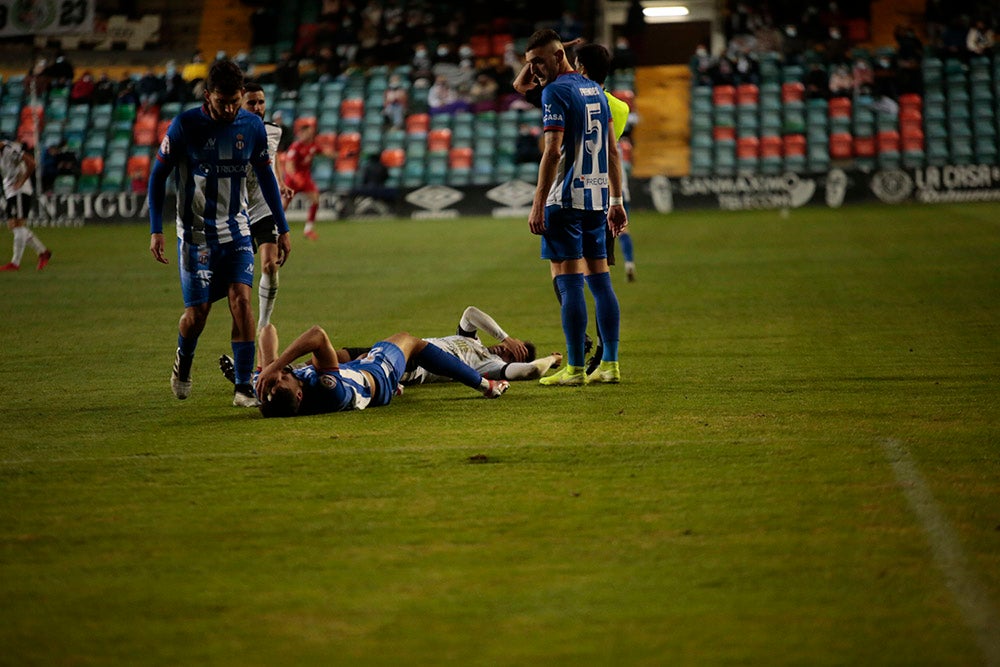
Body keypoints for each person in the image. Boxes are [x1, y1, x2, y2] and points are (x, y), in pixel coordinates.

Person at [148, 59, 290, 407]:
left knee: (241, 302)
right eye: (221, 102)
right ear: (207, 95)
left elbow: (266, 176)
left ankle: (243, 387)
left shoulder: (252, 126)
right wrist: (156, 229)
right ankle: (184, 359)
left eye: (234, 102)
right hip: (196, 236)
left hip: (237, 231)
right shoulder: (185, 126)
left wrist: (282, 226)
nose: (229, 109)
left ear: (242, 95)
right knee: (197, 316)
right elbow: (157, 177)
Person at [522, 30, 627, 386]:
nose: (534, 70)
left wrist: (538, 205)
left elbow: (552, 152)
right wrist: (616, 200)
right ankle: (610, 364)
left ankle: (577, 368)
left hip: (564, 200)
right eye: (530, 62)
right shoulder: (594, 89)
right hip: (597, 200)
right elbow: (612, 150)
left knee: (568, 284)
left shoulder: (555, 91)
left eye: (538, 61)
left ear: (557, 56)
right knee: (600, 280)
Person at [252, 322, 510, 418]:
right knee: (410, 341)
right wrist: (274, 366)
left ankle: (400, 382)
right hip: (379, 376)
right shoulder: (326, 390)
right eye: (284, 379)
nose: (282, 375)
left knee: (347, 355)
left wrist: (265, 369)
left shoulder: (272, 393)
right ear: (299, 396)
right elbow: (317, 335)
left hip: (355, 371)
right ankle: (485, 386)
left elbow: (267, 331)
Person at [242, 82, 294, 336]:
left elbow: (272, 160)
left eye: (261, 102)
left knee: (269, 266)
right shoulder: (228, 133)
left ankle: (263, 324)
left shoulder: (273, 131)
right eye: (251, 102)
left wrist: (281, 182)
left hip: (264, 206)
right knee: (233, 281)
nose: (258, 107)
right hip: (237, 210)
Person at [0, 138, 51, 272]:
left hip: (20, 191)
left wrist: (21, 181)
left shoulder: (9, 150)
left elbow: (31, 162)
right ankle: (43, 252)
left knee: (18, 224)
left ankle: (15, 263)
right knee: (13, 225)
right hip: (10, 191)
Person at [282, 121, 337, 240]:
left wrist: (340, 155)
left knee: (315, 200)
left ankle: (308, 229)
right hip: (292, 180)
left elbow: (324, 152)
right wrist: (295, 178)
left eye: (311, 133)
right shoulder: (295, 147)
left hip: (305, 178)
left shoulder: (312, 145)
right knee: (283, 205)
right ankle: (276, 228)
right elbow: (289, 165)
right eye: (308, 133)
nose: (311, 135)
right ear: (301, 133)